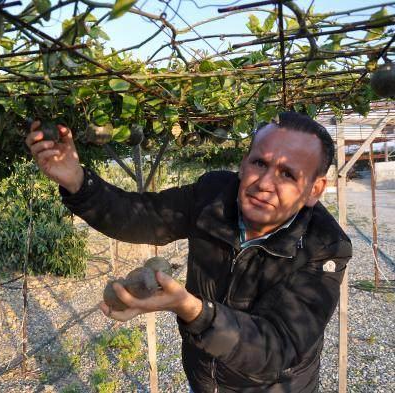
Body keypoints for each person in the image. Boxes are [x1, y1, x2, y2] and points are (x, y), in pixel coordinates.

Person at [25, 111, 352, 393]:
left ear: (315, 189)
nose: (265, 183)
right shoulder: (213, 196)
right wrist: (77, 181)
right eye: (259, 163)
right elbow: (142, 217)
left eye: (287, 174)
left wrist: (191, 309)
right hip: (203, 378)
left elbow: (277, 346)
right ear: (243, 162)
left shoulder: (325, 246)